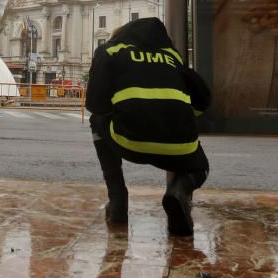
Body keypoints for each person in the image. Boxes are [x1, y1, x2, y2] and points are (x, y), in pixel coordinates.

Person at [85, 17, 210, 236]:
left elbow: (96, 105)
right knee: (201, 167)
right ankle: (179, 191)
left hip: (129, 141)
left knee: (96, 120)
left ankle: (117, 199)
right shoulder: (171, 56)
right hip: (179, 147)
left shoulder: (110, 51)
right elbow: (203, 100)